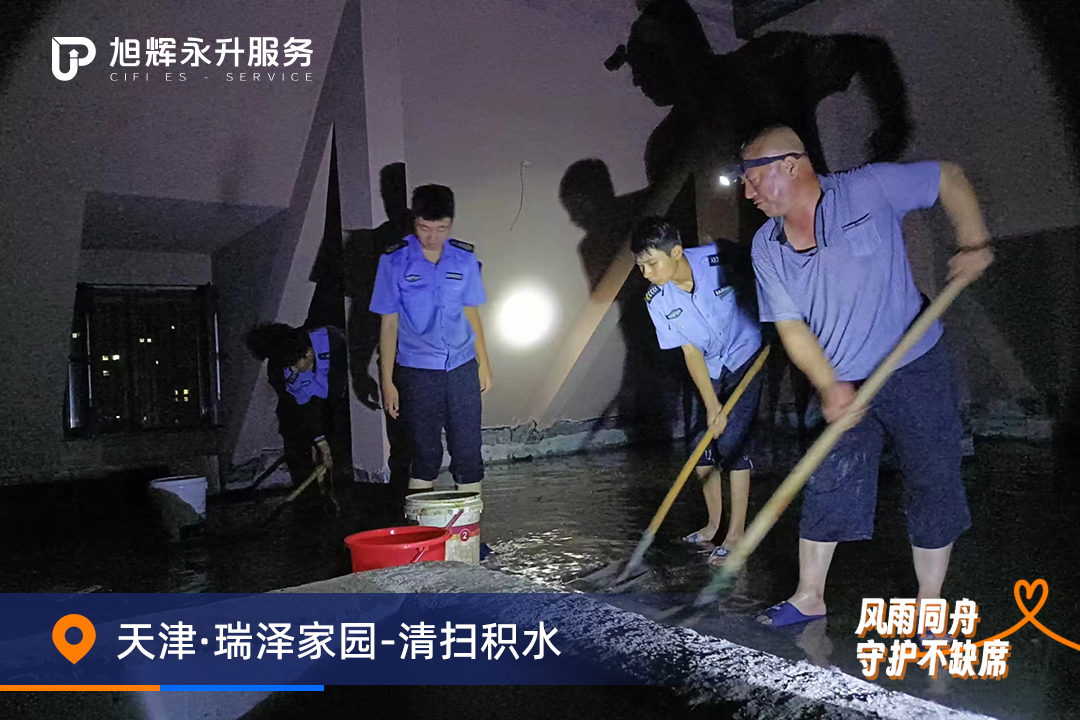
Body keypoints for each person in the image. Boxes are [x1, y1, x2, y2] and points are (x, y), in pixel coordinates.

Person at [741, 126, 994, 628]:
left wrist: (974, 242)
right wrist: (828, 384)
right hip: (842, 382)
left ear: (791, 164)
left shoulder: (866, 188)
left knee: (932, 477)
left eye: (752, 178)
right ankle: (809, 596)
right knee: (829, 479)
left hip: (914, 364)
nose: (747, 192)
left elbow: (948, 177)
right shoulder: (766, 246)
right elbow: (791, 326)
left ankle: (929, 602)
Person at [632, 217, 765, 564]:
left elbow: (762, 283)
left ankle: (736, 534)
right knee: (700, 441)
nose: (646, 273)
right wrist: (711, 405)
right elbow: (689, 352)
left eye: (651, 263)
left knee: (734, 441)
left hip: (745, 354)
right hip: (707, 363)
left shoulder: (718, 260)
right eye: (640, 266)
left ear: (676, 252)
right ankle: (714, 525)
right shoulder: (657, 299)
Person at [370, 184, 493, 495]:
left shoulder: (464, 258)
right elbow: (388, 325)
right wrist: (387, 382)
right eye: (425, 228)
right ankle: (421, 526)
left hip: (462, 367)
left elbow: (472, 312)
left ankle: (470, 525)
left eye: (441, 228)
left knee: (468, 452)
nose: (433, 237)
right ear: (415, 221)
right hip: (417, 372)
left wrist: (484, 364)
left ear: (451, 223)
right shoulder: (393, 261)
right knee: (424, 455)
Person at [244, 322, 349, 500]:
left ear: (308, 353)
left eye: (294, 364)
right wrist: (323, 445)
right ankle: (310, 501)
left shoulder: (334, 343)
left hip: (344, 401)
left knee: (341, 443)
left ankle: (341, 493)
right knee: (296, 434)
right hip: (317, 404)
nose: (292, 369)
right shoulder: (289, 371)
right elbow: (308, 407)